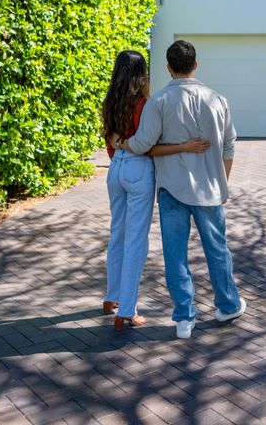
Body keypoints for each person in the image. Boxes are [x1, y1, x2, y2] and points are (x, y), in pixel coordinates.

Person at [116, 40, 245, 339]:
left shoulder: (158, 102)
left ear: (168, 68)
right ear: (196, 65)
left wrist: (121, 143)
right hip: (210, 190)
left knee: (175, 256)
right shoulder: (218, 99)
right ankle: (228, 305)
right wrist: (222, 181)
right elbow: (229, 145)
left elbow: (142, 144)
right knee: (218, 250)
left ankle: (184, 318)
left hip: (172, 190)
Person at [101, 50, 209, 332]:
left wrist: (120, 152)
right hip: (138, 169)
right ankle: (127, 310)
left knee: (118, 233)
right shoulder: (143, 104)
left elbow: (110, 141)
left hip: (116, 170)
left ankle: (111, 296)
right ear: (141, 73)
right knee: (136, 240)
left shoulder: (110, 100)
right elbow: (147, 145)